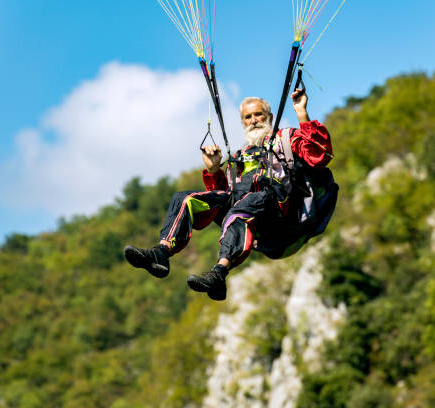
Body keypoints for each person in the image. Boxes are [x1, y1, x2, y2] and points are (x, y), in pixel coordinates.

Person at [124, 89, 333, 301]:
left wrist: (301, 113)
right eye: (247, 117)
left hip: (279, 216)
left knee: (246, 205)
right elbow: (223, 193)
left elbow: (320, 154)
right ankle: (162, 252)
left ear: (269, 117)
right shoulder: (239, 157)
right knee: (186, 199)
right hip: (246, 210)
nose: (253, 120)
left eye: (258, 114)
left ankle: (220, 271)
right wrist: (215, 169)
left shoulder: (286, 139)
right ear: (243, 123)